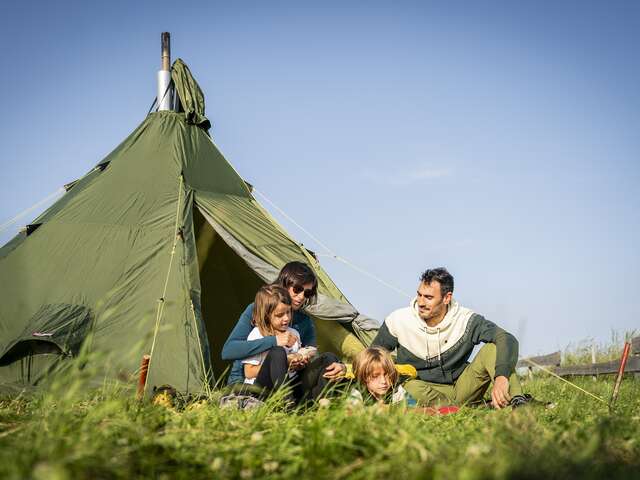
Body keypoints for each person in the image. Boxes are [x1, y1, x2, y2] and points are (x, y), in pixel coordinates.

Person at [372, 267, 528, 409]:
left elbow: (506, 338)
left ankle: (518, 402)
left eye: (428, 297)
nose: (420, 302)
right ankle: (472, 408)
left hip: (463, 387)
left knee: (492, 348)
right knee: (410, 387)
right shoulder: (397, 320)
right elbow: (371, 358)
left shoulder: (466, 319)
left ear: (447, 298)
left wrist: (501, 376)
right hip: (423, 391)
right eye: (419, 295)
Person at [222, 261, 346, 385]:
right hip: (246, 381)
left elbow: (311, 352)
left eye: (307, 293)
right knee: (278, 354)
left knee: (329, 359)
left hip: (289, 379)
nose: (302, 296)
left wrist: (302, 359)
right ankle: (284, 401)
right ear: (284, 284)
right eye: (297, 289)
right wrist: (275, 340)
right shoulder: (257, 310)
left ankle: (325, 402)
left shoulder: (304, 321)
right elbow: (229, 351)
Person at [242, 284, 341, 404]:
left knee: (329, 358)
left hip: (291, 385)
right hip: (263, 390)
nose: (286, 318)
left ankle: (320, 402)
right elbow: (249, 372)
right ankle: (288, 405)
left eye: (288, 312)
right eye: (279, 315)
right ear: (266, 315)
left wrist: (300, 362)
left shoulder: (293, 333)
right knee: (277, 352)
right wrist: (284, 362)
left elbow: (294, 370)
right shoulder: (257, 335)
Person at [348, 346, 413, 406]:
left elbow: (415, 409)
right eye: (375, 376)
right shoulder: (357, 393)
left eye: (387, 374)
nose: (383, 381)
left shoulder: (396, 389)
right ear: (362, 376)